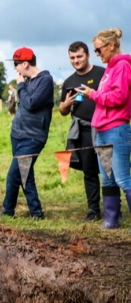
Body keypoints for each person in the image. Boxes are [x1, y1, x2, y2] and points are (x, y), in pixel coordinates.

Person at [79, 28, 131, 229]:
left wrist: (92, 94)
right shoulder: (110, 68)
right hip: (101, 130)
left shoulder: (122, 67)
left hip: (116, 129)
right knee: (108, 178)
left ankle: (113, 219)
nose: (97, 54)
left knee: (123, 178)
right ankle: (111, 220)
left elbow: (119, 98)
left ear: (111, 45)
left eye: (99, 50)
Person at [1, 47, 54, 219]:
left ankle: (7, 213)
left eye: (16, 64)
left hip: (33, 136)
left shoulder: (45, 80)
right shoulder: (28, 81)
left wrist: (21, 86)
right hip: (17, 134)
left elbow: (31, 103)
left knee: (14, 174)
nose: (15, 68)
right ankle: (36, 213)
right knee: (25, 175)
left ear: (25, 63)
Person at [59, 41, 106, 222]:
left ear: (88, 55)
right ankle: (93, 211)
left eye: (79, 56)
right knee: (89, 171)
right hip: (83, 131)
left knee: (110, 170)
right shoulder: (69, 82)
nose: (76, 60)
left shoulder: (102, 74)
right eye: (72, 58)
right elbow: (63, 111)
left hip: (104, 128)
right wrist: (65, 105)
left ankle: (115, 209)